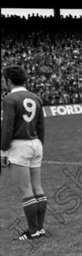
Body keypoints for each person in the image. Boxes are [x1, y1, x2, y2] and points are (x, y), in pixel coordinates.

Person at [1, 65, 47, 241]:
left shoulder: (10, 99)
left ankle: (33, 231)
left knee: (26, 189)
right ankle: (40, 229)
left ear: (9, 81)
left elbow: (7, 128)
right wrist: (39, 144)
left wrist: (3, 150)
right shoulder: (36, 97)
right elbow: (41, 125)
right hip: (36, 143)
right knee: (37, 188)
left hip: (19, 145)